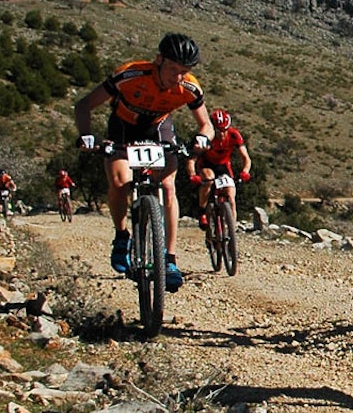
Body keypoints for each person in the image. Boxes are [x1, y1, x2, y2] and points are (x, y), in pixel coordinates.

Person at [74, 33, 213, 292]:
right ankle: (121, 234)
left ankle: (169, 259)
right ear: (158, 61)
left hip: (158, 128)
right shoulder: (130, 75)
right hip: (123, 128)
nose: (178, 77)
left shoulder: (189, 87)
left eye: (184, 71)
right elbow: (84, 105)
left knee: (169, 187)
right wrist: (86, 136)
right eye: (173, 69)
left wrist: (203, 139)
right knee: (120, 183)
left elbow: (206, 124)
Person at [187, 108, 252, 228]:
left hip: (224, 166)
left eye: (224, 130)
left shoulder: (234, 135)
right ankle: (202, 212)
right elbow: (192, 159)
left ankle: (231, 230)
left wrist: (245, 172)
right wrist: (193, 175)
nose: (221, 134)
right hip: (207, 164)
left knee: (231, 197)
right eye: (217, 130)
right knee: (208, 179)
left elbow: (246, 158)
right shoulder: (206, 138)